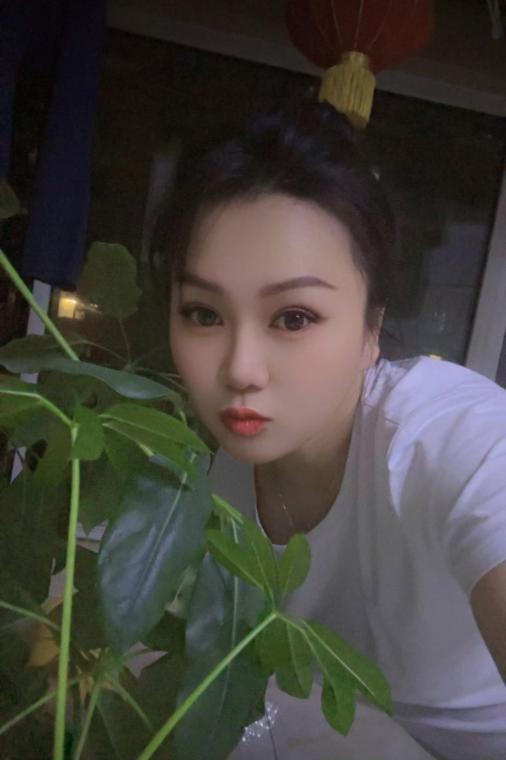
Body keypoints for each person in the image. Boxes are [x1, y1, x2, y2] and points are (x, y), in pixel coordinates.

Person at [167, 100, 506, 760]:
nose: (240, 371)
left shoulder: (444, 437)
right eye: (204, 314)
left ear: (371, 329)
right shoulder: (222, 478)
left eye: (294, 318)